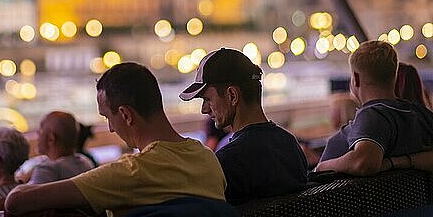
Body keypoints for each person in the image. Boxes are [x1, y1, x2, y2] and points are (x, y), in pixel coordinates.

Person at [5, 62, 227, 217]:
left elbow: (16, 202)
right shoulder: (208, 160)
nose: (110, 128)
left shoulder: (130, 173)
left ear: (126, 115)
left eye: (108, 118)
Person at [179, 47, 308, 205]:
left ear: (232, 95)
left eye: (207, 99)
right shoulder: (290, 145)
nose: (204, 109)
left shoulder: (227, 162)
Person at [316, 40, 433, 176]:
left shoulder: (373, 114)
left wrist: (321, 167)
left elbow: (364, 162)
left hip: (336, 195)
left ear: (356, 79)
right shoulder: (420, 114)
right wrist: (398, 162)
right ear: (394, 76)